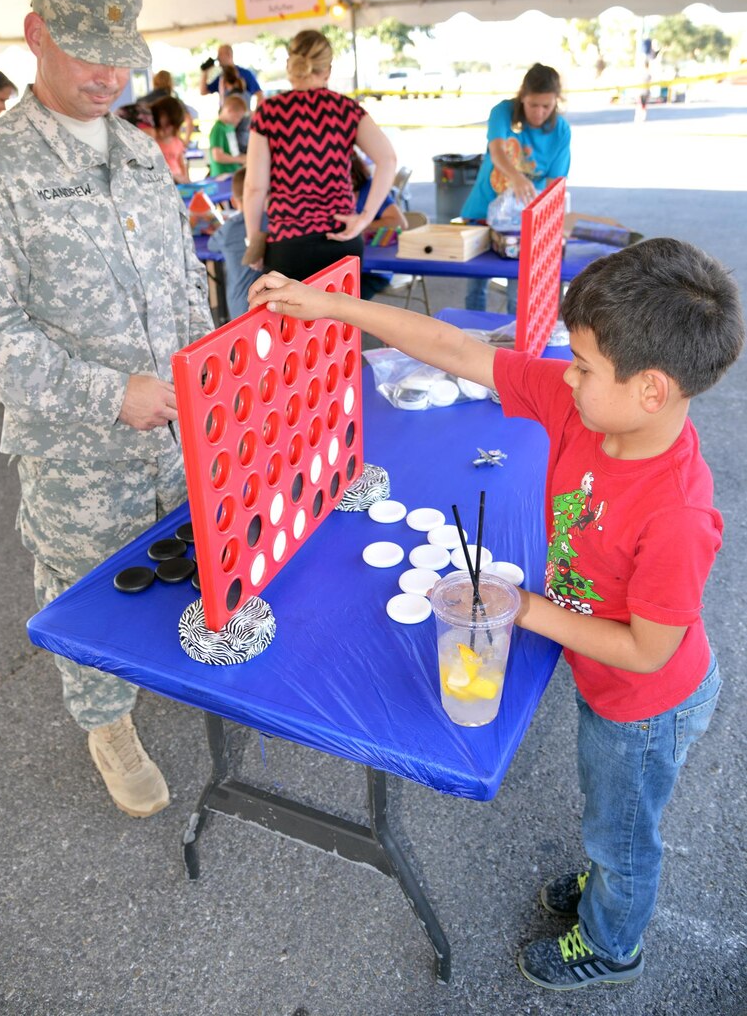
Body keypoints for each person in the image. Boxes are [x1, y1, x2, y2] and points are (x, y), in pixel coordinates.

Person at [248, 236, 744, 991]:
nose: (564, 375)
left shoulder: (675, 513)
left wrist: (520, 609)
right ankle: (606, 887)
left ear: (650, 389)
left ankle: (612, 944)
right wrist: (332, 307)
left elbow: (646, 650)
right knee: (607, 814)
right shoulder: (589, 410)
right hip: (607, 683)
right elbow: (454, 348)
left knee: (622, 832)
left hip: (645, 704)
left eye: (580, 365)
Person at [0, 0, 215, 820]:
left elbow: (185, 282)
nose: (109, 75)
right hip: (79, 453)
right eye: (88, 51)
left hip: (178, 431)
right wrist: (105, 393)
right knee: (87, 595)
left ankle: (180, 675)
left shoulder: (137, 151)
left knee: (184, 563)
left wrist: (212, 371)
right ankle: (107, 724)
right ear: (36, 34)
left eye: (120, 53)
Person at [242, 29, 397, 280]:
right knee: (342, 320)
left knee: (289, 320)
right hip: (342, 239)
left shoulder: (269, 112)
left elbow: (254, 187)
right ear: (328, 69)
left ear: (290, 65)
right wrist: (365, 218)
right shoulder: (347, 109)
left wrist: (254, 238)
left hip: (288, 245)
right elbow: (388, 159)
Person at [460, 64, 571, 313]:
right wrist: (517, 177)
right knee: (476, 286)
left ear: (556, 102)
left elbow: (555, 186)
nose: (539, 112)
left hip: (522, 221)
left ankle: (512, 346)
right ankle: (469, 340)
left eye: (547, 106)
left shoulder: (561, 130)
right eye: (533, 105)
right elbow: (497, 151)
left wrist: (554, 225)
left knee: (517, 291)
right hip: (481, 211)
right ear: (523, 97)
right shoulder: (503, 111)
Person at [350, 149, 408, 299]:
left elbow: (399, 222)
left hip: (373, 271)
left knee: (347, 302)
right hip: (343, 266)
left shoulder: (369, 189)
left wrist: (360, 224)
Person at [207, 166, 261, 320]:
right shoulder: (270, 222)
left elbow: (212, 245)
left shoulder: (228, 230)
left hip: (239, 309)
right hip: (270, 302)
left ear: (233, 201)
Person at [200, 45, 263, 151]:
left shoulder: (245, 74)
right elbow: (203, 91)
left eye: (220, 54)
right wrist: (205, 71)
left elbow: (260, 95)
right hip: (231, 132)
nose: (218, 58)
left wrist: (253, 116)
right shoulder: (221, 76)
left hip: (239, 133)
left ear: (228, 55)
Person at [138, 69, 195, 142]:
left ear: (154, 81)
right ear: (171, 83)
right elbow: (189, 122)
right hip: (170, 144)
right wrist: (185, 143)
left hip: (149, 143)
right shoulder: (176, 103)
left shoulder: (142, 101)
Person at [151, 96, 189, 182]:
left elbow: (182, 163)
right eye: (167, 124)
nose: (168, 129)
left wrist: (186, 179)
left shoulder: (177, 141)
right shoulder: (152, 140)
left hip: (178, 182)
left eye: (172, 125)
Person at [208, 94, 247, 178]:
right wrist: (240, 159)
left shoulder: (230, 127)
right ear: (229, 110)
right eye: (237, 117)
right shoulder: (218, 129)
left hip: (233, 172)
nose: (239, 120)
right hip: (222, 175)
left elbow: (233, 152)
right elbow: (217, 156)